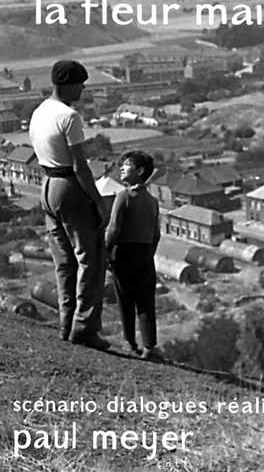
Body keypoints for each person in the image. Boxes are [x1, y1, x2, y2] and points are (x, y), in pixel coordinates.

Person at [29, 60, 110, 350]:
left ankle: (66, 325)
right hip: (68, 187)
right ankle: (84, 329)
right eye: (79, 83)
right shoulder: (69, 116)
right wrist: (98, 202)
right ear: (66, 84)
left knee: (64, 262)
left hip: (47, 186)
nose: (83, 89)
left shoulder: (40, 112)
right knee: (90, 259)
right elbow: (80, 166)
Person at [105, 150, 160, 359]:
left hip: (124, 254)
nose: (121, 168)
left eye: (126, 165)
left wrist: (106, 253)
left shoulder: (123, 197)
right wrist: (148, 254)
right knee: (146, 302)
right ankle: (149, 347)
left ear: (139, 170)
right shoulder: (152, 201)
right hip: (145, 255)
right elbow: (156, 234)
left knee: (125, 300)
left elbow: (113, 230)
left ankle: (130, 343)